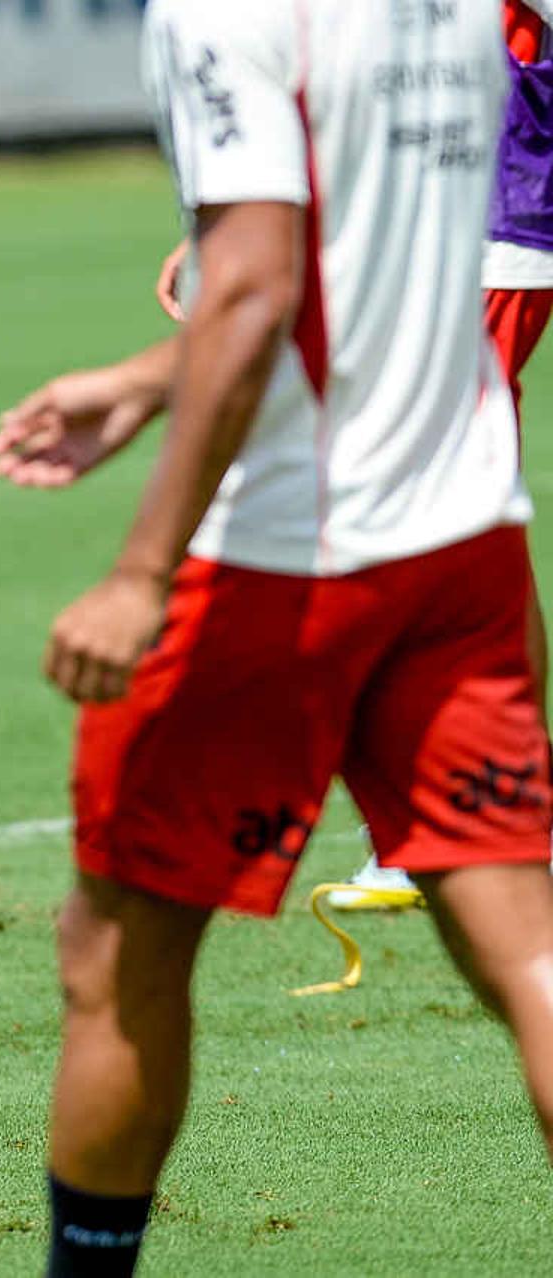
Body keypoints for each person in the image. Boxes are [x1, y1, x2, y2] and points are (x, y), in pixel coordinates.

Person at [0, 2, 553, 1272]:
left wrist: (140, 572)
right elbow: (357, 260)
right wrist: (145, 380)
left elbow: (255, 288)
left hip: (281, 557)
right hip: (464, 535)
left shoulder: (223, 10)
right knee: (532, 951)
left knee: (118, 947)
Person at [331, 0, 553, 908]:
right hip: (437, 223)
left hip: (498, 224)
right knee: (454, 493)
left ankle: (474, 807)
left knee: (441, 498)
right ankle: (487, 802)